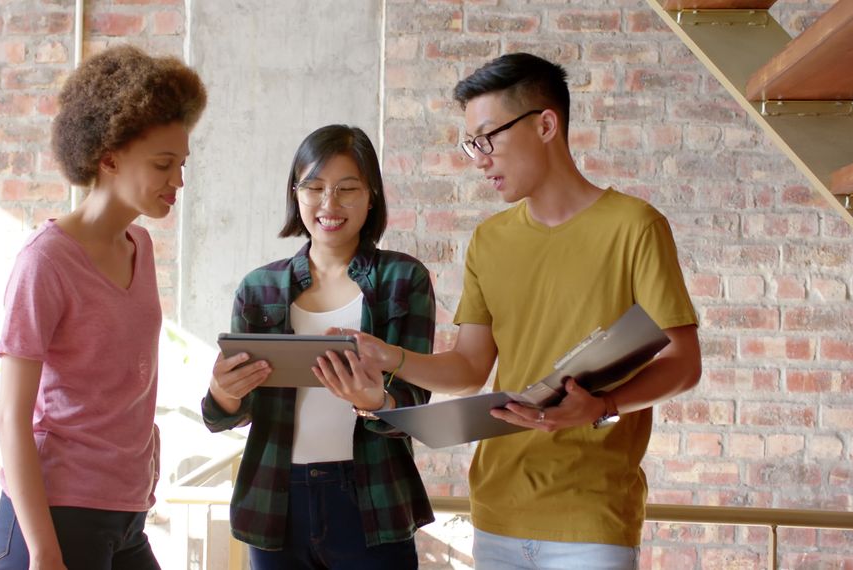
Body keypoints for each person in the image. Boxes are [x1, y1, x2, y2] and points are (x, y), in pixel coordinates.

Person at [349, 53, 702, 569]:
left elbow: (684, 362)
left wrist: (603, 407)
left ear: (545, 124)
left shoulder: (636, 227)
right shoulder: (489, 241)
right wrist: (390, 357)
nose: (479, 157)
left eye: (488, 137)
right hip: (496, 513)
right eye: (471, 142)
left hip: (592, 516)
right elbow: (469, 368)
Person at [0, 45, 206, 570]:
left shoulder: (141, 247)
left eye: (180, 164)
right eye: (163, 164)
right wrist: (43, 551)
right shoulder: (45, 263)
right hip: (57, 516)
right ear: (108, 157)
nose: (177, 181)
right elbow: (10, 417)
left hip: (125, 512)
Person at [201, 125, 435, 569]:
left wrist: (376, 401)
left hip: (372, 495)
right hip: (276, 498)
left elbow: (416, 404)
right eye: (314, 188)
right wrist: (225, 393)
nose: (329, 205)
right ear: (296, 195)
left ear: (372, 197)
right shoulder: (258, 288)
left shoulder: (403, 280)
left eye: (347, 189)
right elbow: (224, 414)